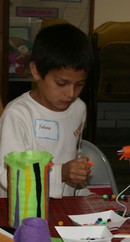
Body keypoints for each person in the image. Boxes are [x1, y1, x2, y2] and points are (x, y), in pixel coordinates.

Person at [0, 23, 93, 198]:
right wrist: (61, 173)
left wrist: (81, 189)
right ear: (36, 71)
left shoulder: (79, 108)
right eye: (61, 83)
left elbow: (74, 153)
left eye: (80, 84)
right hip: (21, 210)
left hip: (62, 206)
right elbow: (9, 176)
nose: (71, 93)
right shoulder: (18, 114)